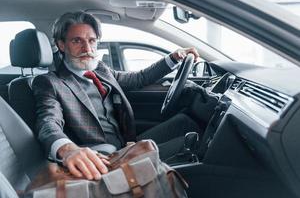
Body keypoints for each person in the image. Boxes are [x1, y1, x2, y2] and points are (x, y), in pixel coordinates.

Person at [33, 11, 200, 181]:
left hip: (127, 143)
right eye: (77, 41)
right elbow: (48, 122)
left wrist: (174, 58)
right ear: (62, 45)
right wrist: (68, 149)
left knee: (186, 122)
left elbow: (139, 78)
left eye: (91, 41)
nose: (87, 49)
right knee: (194, 144)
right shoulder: (50, 82)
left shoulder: (100, 70)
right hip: (108, 157)